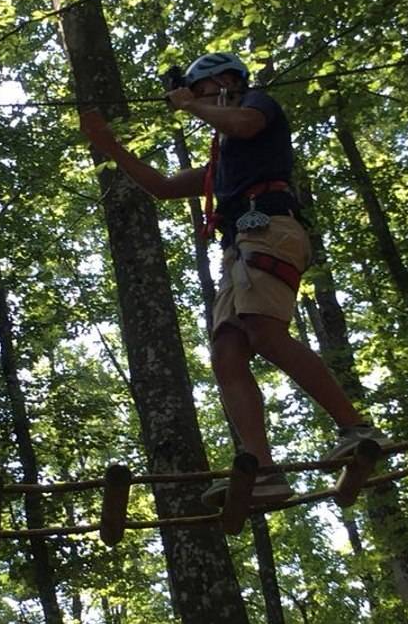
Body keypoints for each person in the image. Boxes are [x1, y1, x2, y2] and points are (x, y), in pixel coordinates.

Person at [78, 52, 384, 502]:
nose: (198, 102)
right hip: (241, 247)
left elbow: (243, 123)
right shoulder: (224, 164)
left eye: (201, 90)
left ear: (225, 81)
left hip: (270, 229)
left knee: (262, 330)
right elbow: (163, 187)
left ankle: (355, 428)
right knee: (227, 350)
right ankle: (263, 470)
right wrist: (110, 146)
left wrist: (190, 105)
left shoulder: (258, 106)